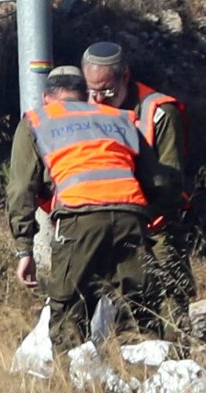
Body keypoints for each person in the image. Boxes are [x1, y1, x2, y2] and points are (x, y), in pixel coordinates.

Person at [7, 65, 173, 352]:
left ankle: (72, 390)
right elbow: (159, 181)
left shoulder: (36, 120)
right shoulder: (119, 118)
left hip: (78, 220)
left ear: (47, 97)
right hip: (130, 218)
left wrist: (25, 249)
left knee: (70, 314)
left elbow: (21, 189)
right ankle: (148, 384)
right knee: (140, 312)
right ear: (86, 96)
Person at [81, 41, 196, 345]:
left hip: (154, 227)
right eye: (91, 90)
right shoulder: (85, 109)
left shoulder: (159, 113)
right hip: (103, 226)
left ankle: (174, 365)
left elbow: (170, 183)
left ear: (125, 76)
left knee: (167, 308)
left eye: (106, 90)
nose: (98, 99)